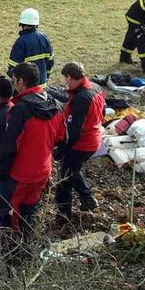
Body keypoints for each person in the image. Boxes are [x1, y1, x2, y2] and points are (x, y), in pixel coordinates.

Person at [0, 63, 64, 248]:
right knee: (28, 214)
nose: (14, 85)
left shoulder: (20, 111)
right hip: (42, 172)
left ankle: (3, 256)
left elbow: (10, 147)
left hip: (19, 175)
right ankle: (28, 248)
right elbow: (62, 137)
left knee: (1, 216)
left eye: (15, 81)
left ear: (21, 81)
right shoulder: (54, 104)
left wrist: (2, 173)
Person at [54, 62, 105, 227]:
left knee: (65, 180)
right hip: (93, 139)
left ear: (70, 76)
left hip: (81, 144)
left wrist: (60, 150)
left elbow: (74, 133)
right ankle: (87, 198)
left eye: (66, 79)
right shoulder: (95, 88)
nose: (65, 83)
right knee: (73, 170)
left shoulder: (80, 100)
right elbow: (103, 111)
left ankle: (64, 216)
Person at [7, 8, 54, 84]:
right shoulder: (44, 38)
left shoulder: (21, 42)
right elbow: (50, 62)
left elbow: (14, 68)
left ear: (22, 24)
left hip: (26, 89)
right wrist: (46, 77)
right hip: (42, 87)